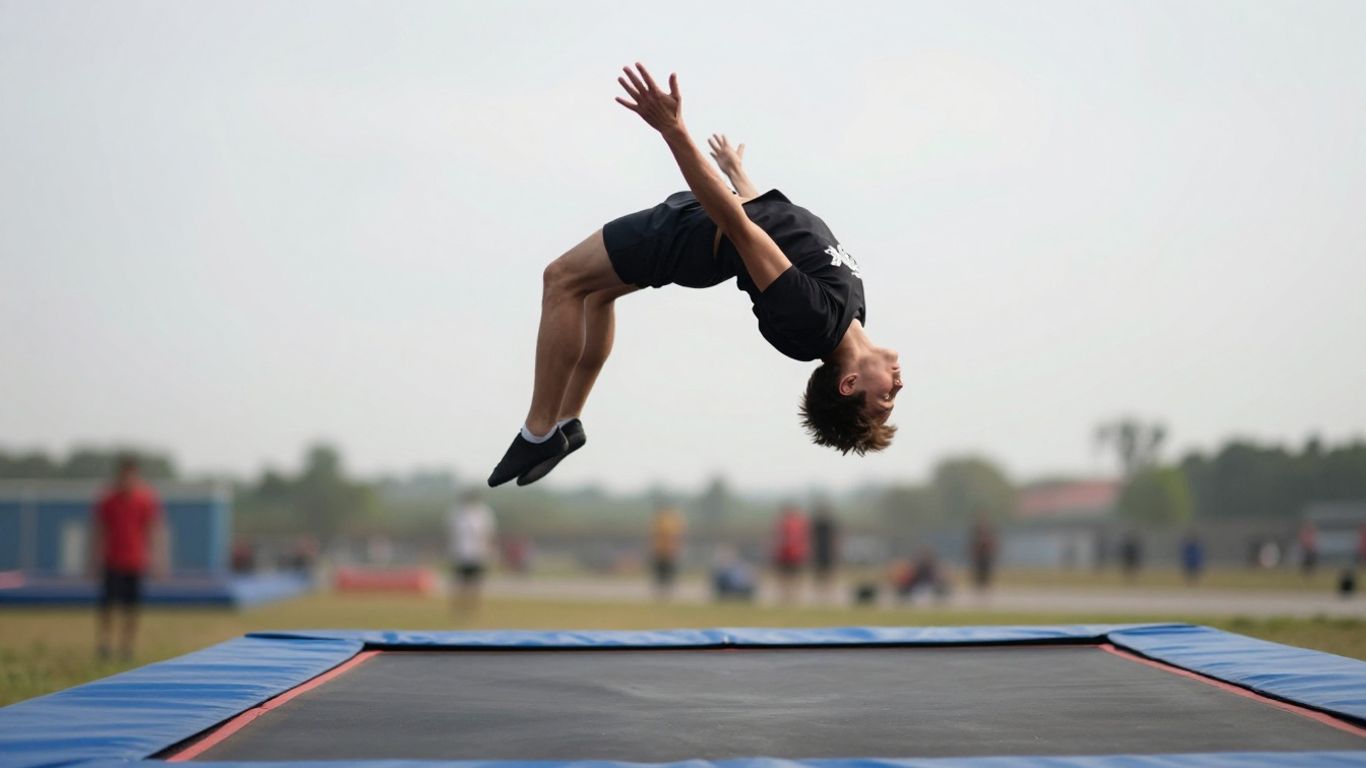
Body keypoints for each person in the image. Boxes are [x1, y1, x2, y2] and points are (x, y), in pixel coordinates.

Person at [488, 63, 901, 487]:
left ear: (849, 384)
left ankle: (539, 430)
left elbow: (741, 227)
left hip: (688, 234)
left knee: (562, 279)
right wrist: (737, 174)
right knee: (594, 295)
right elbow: (775, 229)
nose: (898, 388)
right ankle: (569, 421)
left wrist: (673, 130)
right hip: (703, 230)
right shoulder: (850, 312)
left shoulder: (813, 321)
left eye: (885, 399)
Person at [90, 455, 166, 661]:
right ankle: (104, 644)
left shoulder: (145, 499)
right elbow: (98, 530)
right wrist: (93, 559)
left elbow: (153, 530)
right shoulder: (108, 500)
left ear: (136, 476)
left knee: (131, 608)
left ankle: (127, 647)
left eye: (130, 476)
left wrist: (158, 560)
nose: (126, 480)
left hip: (135, 561)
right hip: (112, 560)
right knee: (107, 606)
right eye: (123, 476)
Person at [447, 490, 497, 611]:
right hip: (461, 553)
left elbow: (488, 534)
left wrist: (489, 551)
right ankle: (460, 606)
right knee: (460, 582)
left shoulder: (483, 513)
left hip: (477, 553)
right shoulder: (457, 513)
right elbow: (452, 533)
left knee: (476, 583)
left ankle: (473, 607)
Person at [772, 504, 809, 603]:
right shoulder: (791, 523)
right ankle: (788, 595)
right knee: (787, 576)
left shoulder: (790, 524)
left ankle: (790, 595)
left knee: (790, 576)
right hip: (787, 553)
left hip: (793, 553)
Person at [650, 505, 685, 599]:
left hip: (667, 551)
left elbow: (677, 537)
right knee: (661, 571)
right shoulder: (665, 520)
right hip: (662, 550)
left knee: (667, 571)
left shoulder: (663, 520)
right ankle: (662, 590)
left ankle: (665, 590)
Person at [810, 504, 839, 600]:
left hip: (823, 551)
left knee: (826, 572)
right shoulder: (819, 524)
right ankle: (823, 593)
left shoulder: (826, 524)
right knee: (821, 572)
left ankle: (826, 592)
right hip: (821, 550)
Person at [968, 515, 998, 591]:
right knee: (978, 572)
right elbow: (972, 544)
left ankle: (985, 587)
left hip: (987, 555)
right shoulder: (976, 531)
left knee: (986, 572)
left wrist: (993, 552)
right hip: (979, 555)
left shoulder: (990, 531)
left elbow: (993, 543)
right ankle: (979, 588)